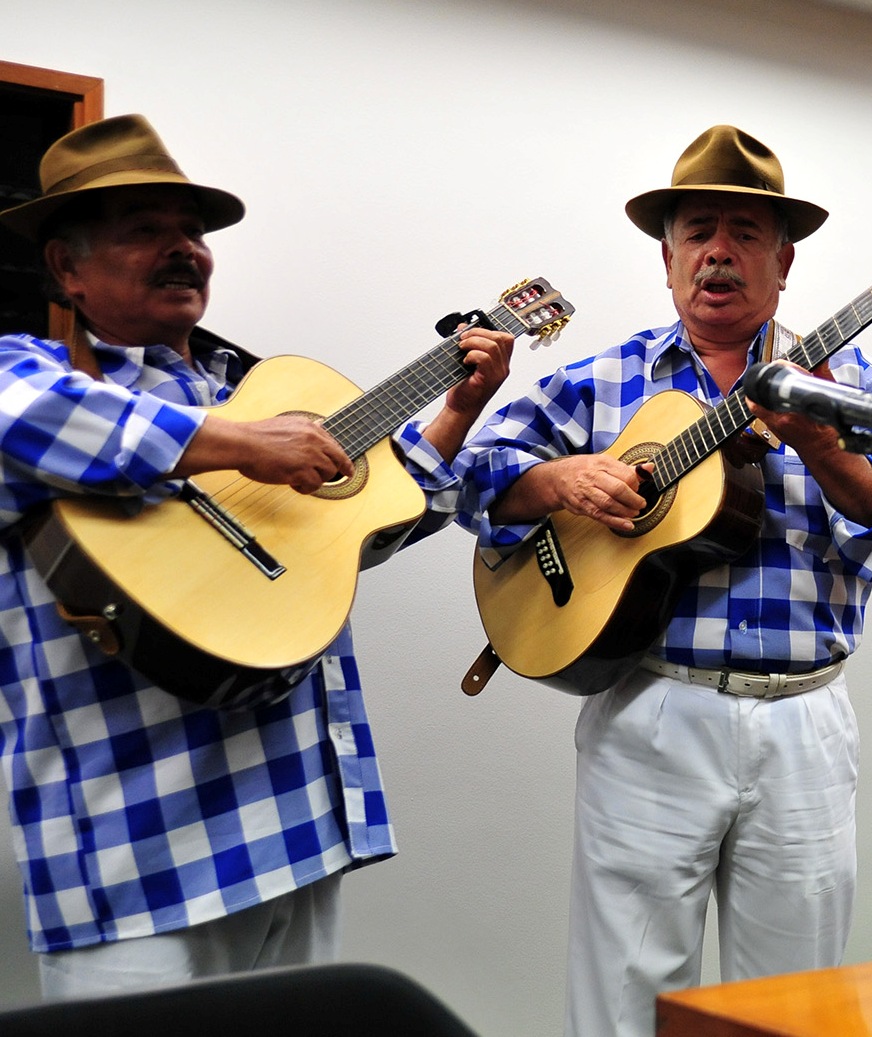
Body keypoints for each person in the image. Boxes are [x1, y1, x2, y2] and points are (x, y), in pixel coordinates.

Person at [0, 115, 513, 995]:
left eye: (190, 232)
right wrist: (238, 442)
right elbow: (19, 415)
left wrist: (456, 413)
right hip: (135, 852)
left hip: (294, 823)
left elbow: (351, 535)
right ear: (66, 268)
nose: (181, 250)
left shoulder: (245, 388)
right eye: (142, 231)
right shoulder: (35, 376)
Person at [454, 125, 872, 1037]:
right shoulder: (600, 380)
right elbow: (462, 476)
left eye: (745, 234)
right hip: (651, 706)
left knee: (794, 1006)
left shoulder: (849, 380)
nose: (718, 252)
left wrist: (821, 441)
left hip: (804, 718)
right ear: (666, 258)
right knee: (625, 991)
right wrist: (555, 480)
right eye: (697, 229)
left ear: (783, 263)